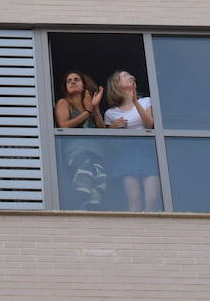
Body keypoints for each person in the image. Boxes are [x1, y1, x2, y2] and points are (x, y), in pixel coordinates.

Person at [103, 70, 160, 212]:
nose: (130, 76)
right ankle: (137, 231)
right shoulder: (110, 113)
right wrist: (113, 128)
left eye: (130, 74)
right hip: (126, 153)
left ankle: (149, 227)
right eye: (125, 75)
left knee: (152, 197)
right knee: (133, 198)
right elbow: (108, 143)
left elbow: (150, 124)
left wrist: (135, 101)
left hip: (147, 150)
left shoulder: (146, 101)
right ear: (116, 84)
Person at [54, 70, 108, 210]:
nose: (72, 82)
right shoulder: (64, 103)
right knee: (83, 178)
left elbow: (102, 130)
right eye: (69, 80)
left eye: (76, 79)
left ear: (84, 85)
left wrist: (94, 108)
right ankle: (80, 207)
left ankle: (91, 210)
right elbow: (64, 125)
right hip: (76, 150)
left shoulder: (88, 106)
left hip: (96, 151)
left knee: (98, 178)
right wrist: (87, 113)